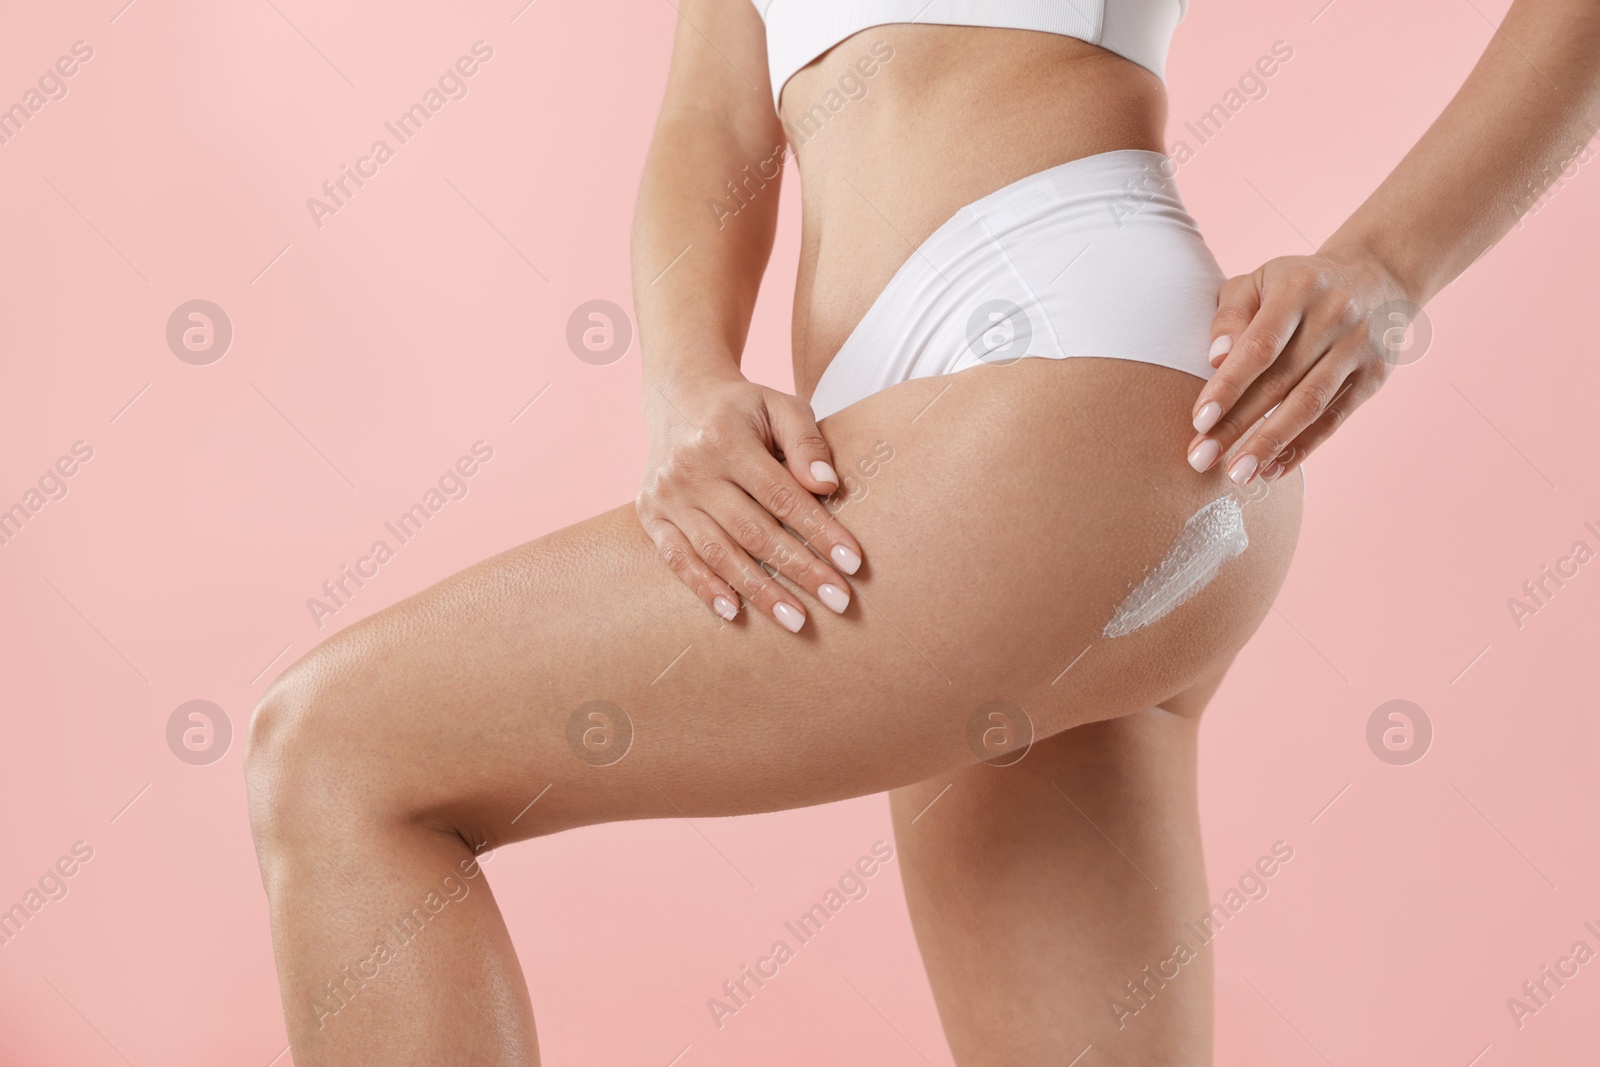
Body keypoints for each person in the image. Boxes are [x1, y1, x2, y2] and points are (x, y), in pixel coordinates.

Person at [245, 1, 1600, 1062]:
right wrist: (690, 386)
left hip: (1067, 383)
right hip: (975, 454)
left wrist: (1388, 266)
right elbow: (711, 127)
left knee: (336, 752)